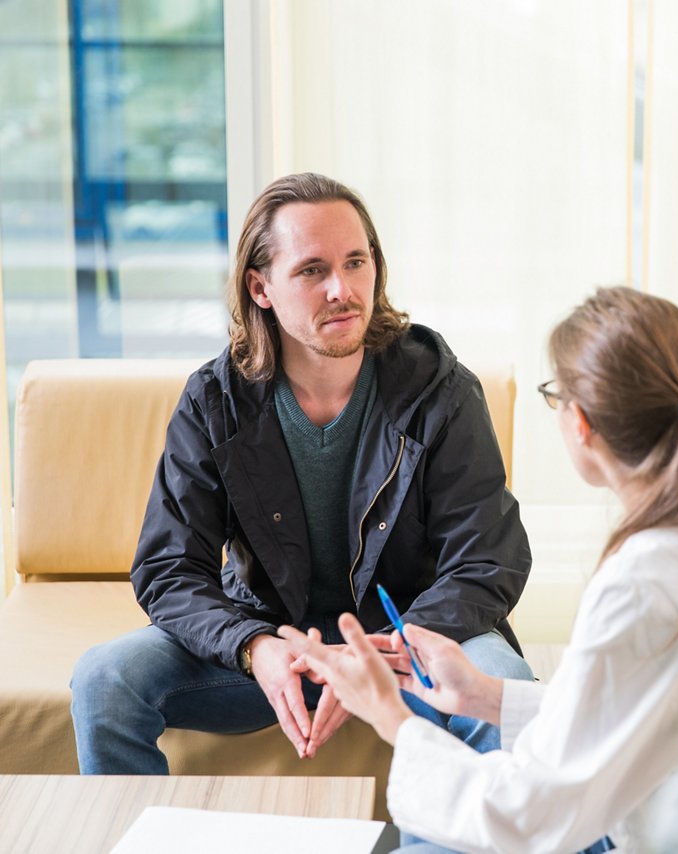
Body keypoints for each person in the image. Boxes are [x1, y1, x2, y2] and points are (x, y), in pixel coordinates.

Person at [281, 286, 678, 853]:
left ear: (581, 422)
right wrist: (486, 695)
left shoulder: (646, 582)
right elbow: (635, 713)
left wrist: (389, 715)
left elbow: (530, 817)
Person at [70, 173, 534, 774]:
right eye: (312, 270)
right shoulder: (214, 401)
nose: (343, 289)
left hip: (407, 643)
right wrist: (251, 646)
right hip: (272, 643)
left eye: (356, 262)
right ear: (260, 287)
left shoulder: (440, 390)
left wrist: (383, 650)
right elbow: (168, 567)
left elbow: (487, 560)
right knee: (104, 680)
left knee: (507, 689)